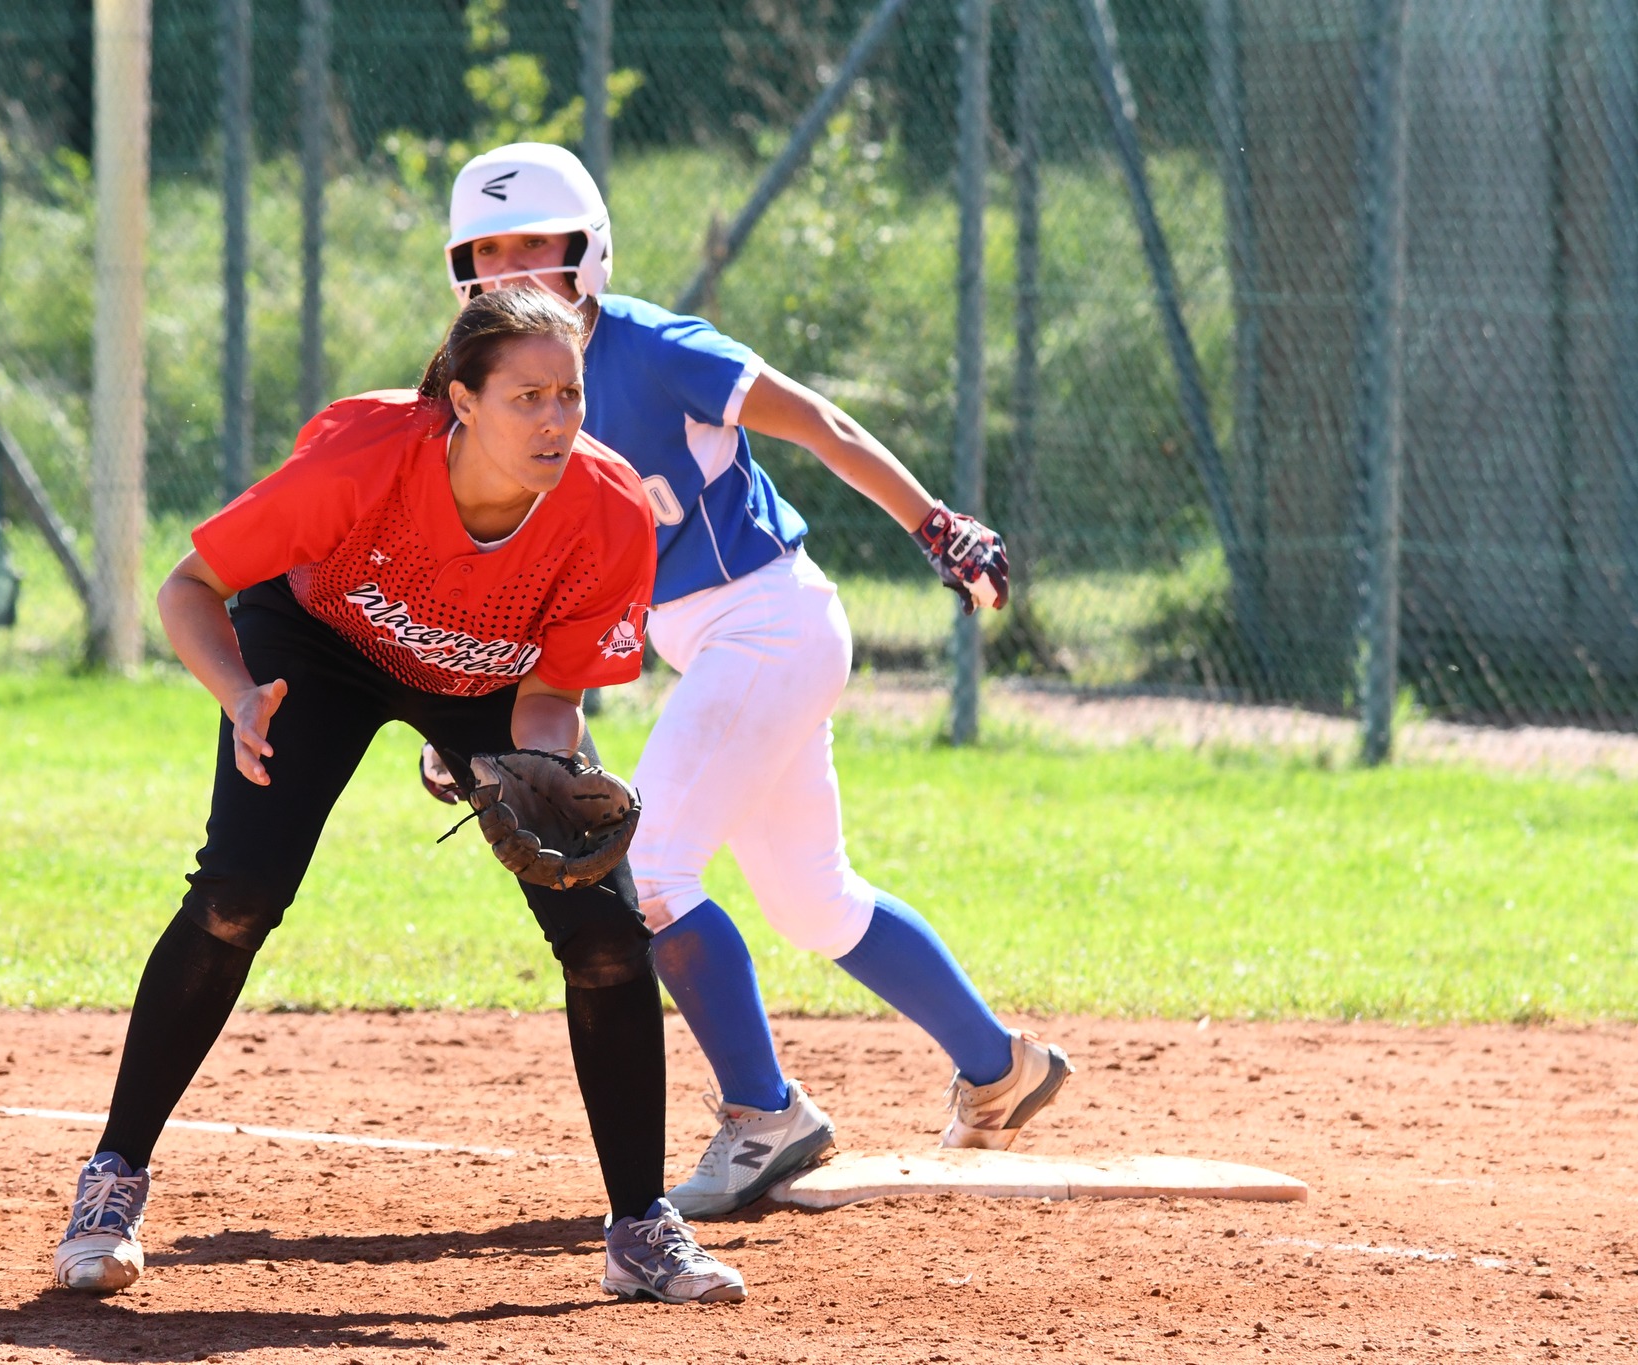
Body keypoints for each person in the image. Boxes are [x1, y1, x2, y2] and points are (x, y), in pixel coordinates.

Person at [52, 287, 746, 1306]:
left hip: (485, 681)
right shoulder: (365, 461)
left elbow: (549, 695)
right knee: (238, 892)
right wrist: (241, 696)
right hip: (314, 649)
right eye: (525, 397)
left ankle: (640, 1226)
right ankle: (111, 1181)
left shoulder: (604, 512)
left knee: (603, 934)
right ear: (460, 399)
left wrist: (537, 770)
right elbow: (186, 588)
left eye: (569, 395)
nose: (553, 420)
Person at [420, 143, 1074, 1218]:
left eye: (535, 242)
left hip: (770, 622)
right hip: (728, 645)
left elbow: (816, 420)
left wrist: (932, 524)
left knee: (654, 870)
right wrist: (468, 710)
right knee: (814, 901)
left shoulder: (652, 348)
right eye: (487, 250)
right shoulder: (500, 391)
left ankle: (766, 1116)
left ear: (587, 252)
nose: (511, 268)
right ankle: (999, 1064)